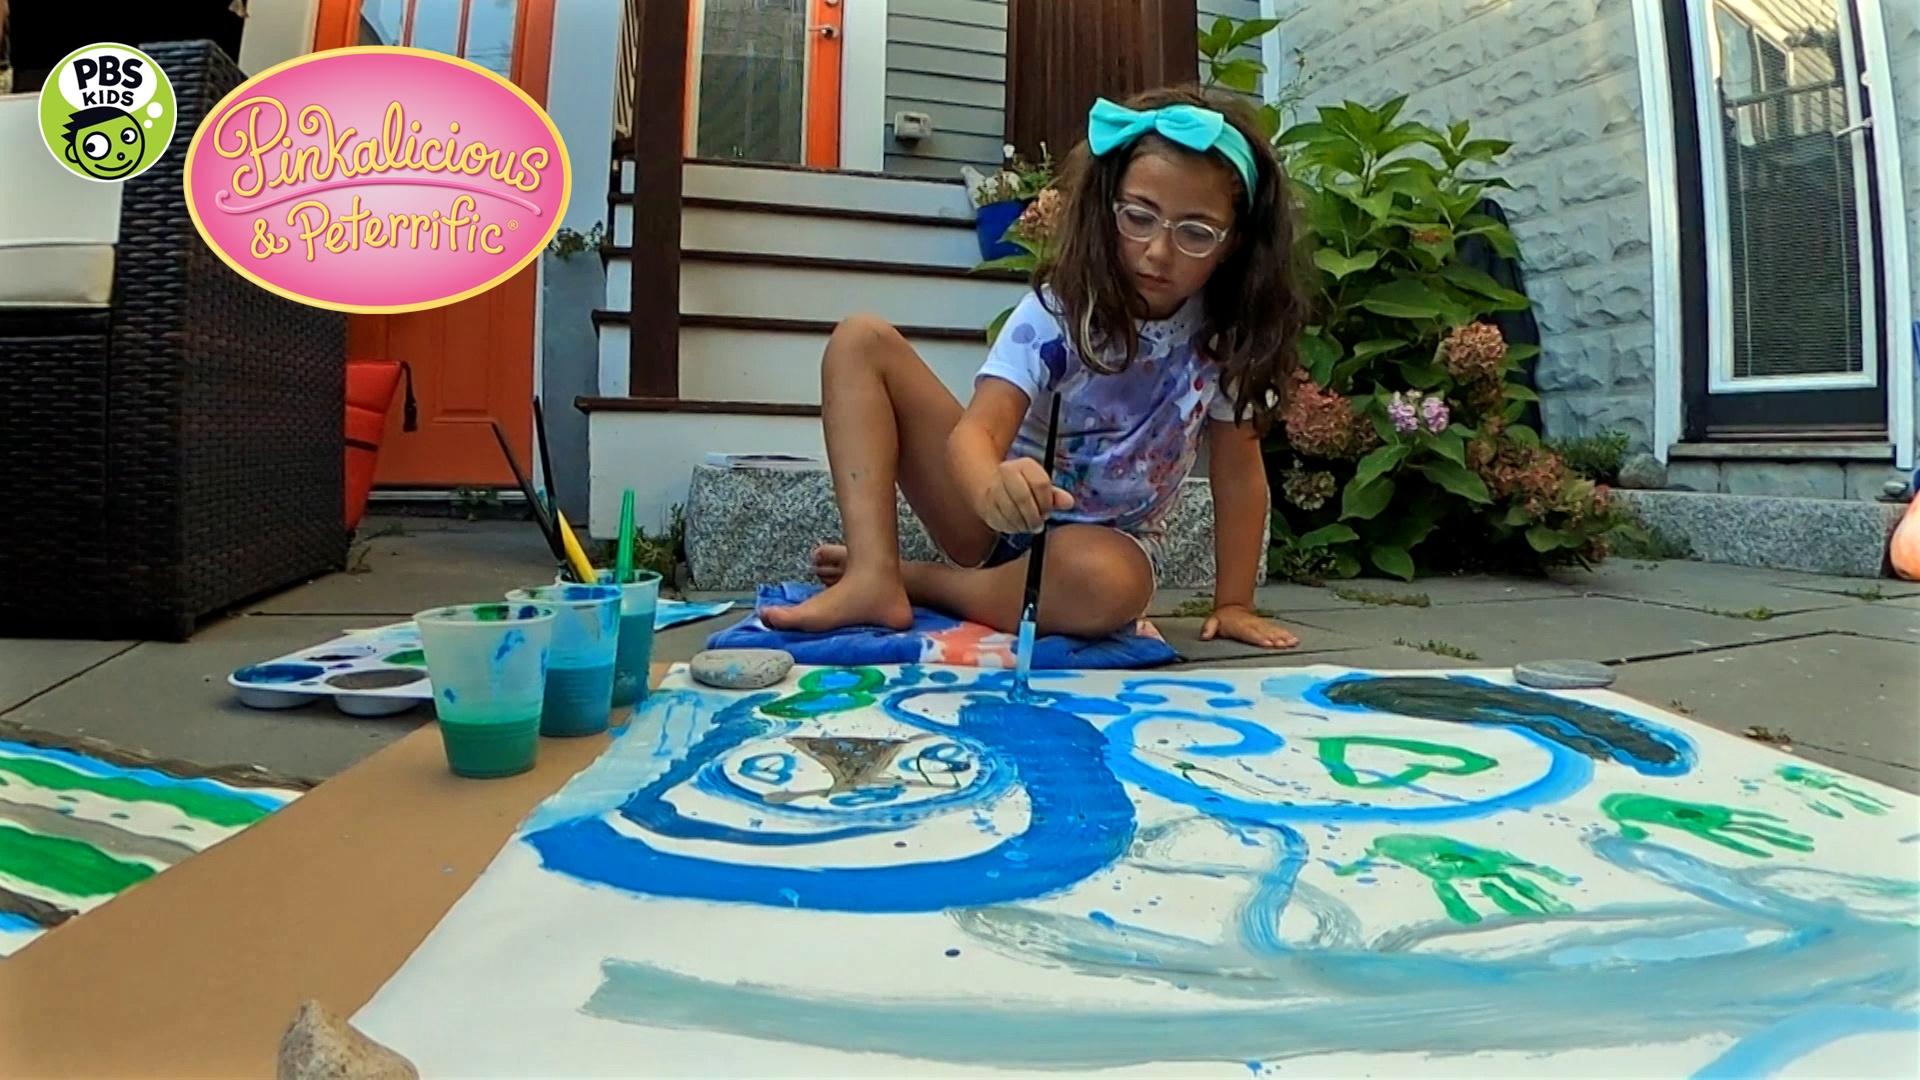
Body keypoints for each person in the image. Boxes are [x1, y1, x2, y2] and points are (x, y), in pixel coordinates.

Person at [764, 87, 1307, 649]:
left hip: (1104, 550)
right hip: (996, 516)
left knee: (1107, 585)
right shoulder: (1060, 309)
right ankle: (874, 572)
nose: (1157, 251)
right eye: (1138, 218)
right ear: (1106, 208)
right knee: (860, 341)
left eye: (1195, 232)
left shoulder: (1225, 336)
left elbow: (1240, 474)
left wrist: (1235, 602)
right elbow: (976, 432)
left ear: (1234, 243)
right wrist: (989, 484)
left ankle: (922, 581)